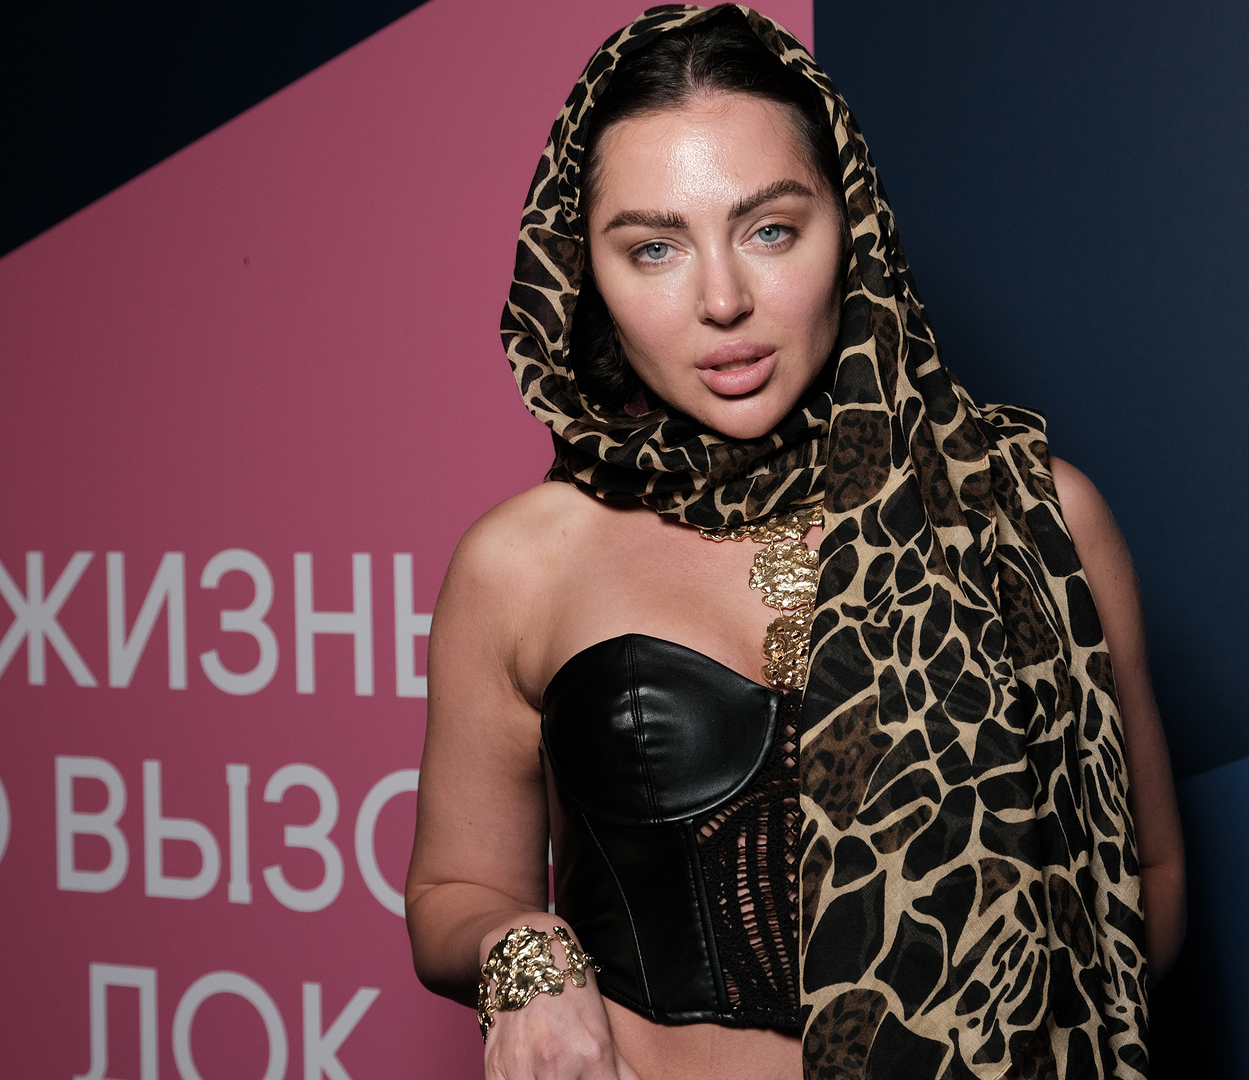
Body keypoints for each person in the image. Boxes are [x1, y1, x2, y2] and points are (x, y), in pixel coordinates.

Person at [405, 6, 1185, 1079]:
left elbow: (1148, 880)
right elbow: (452, 891)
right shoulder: (522, 564)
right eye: (653, 248)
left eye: (770, 229)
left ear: (851, 225)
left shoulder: (1035, 515)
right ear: (585, 270)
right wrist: (523, 953)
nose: (723, 300)